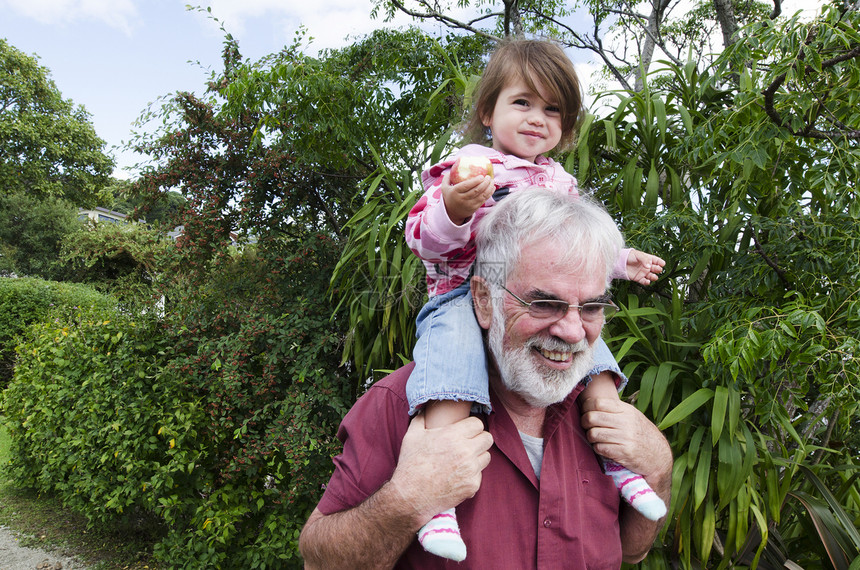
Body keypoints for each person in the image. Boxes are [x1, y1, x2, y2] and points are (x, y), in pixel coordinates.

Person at [299, 189, 673, 569]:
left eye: (592, 306)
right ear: (482, 299)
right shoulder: (401, 404)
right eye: (544, 303)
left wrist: (659, 468)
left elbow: (632, 550)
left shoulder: (607, 411)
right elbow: (318, 563)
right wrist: (407, 500)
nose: (574, 331)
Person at [403, 38, 666, 559]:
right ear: (487, 110)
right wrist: (454, 208)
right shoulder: (468, 167)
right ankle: (438, 501)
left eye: (552, 109)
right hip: (461, 295)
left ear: (565, 127)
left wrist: (619, 260)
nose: (536, 118)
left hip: (537, 301)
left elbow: (571, 250)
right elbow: (423, 239)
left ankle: (619, 463)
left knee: (592, 356)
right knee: (451, 382)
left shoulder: (557, 182)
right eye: (522, 102)